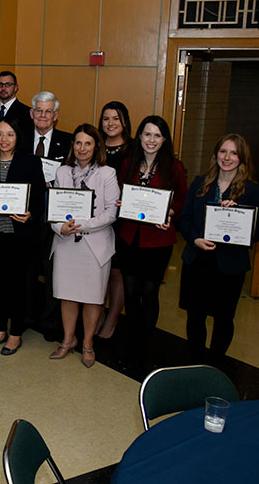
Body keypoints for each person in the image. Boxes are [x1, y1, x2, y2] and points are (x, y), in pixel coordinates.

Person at [178, 134, 259, 364]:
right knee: (195, 316)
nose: (227, 158)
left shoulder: (253, 191)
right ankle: (195, 363)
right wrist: (195, 239)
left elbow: (258, 233)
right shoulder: (200, 183)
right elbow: (184, 219)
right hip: (197, 260)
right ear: (215, 154)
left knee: (224, 319)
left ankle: (215, 366)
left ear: (242, 158)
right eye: (223, 151)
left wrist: (239, 214)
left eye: (234, 153)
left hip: (229, 266)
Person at [117, 116, 187, 371]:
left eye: (157, 135)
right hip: (129, 238)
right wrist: (120, 203)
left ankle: (144, 348)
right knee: (131, 294)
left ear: (164, 139)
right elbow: (121, 193)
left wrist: (170, 214)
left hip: (158, 242)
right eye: (147, 134)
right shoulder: (129, 163)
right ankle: (132, 344)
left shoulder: (174, 167)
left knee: (150, 293)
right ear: (140, 137)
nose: (151, 140)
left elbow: (181, 201)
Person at [48, 124, 119, 368]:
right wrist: (60, 227)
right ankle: (68, 340)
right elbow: (54, 210)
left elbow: (111, 212)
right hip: (67, 242)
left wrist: (83, 225)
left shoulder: (107, 174)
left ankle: (88, 344)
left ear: (96, 146)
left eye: (88, 143)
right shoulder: (62, 172)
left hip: (94, 244)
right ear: (72, 146)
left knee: (92, 298)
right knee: (67, 295)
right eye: (78, 143)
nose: (82, 148)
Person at [0, 119, 45, 356]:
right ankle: (0, 329)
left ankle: (15, 333)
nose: (4, 139)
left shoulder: (30, 162)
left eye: (10, 134)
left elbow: (39, 196)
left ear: (19, 137)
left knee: (18, 284)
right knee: (0, 283)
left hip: (21, 234)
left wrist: (31, 214)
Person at [26, 91, 73, 341]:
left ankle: (50, 321)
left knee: (53, 271)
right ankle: (27, 316)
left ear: (55, 116)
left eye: (48, 112)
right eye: (39, 111)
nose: (43, 116)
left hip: (55, 219)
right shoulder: (19, 139)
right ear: (32, 113)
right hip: (25, 217)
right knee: (27, 270)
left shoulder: (68, 142)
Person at [96, 101, 133, 340]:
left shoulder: (133, 150)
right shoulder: (95, 147)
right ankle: (98, 312)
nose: (110, 124)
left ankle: (112, 318)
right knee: (100, 268)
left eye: (116, 119)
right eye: (106, 118)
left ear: (125, 123)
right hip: (96, 218)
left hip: (123, 220)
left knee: (117, 272)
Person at [0, 71, 32, 152]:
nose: (3, 88)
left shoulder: (26, 112)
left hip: (15, 160)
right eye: (0, 85)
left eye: (8, 84)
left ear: (16, 87)